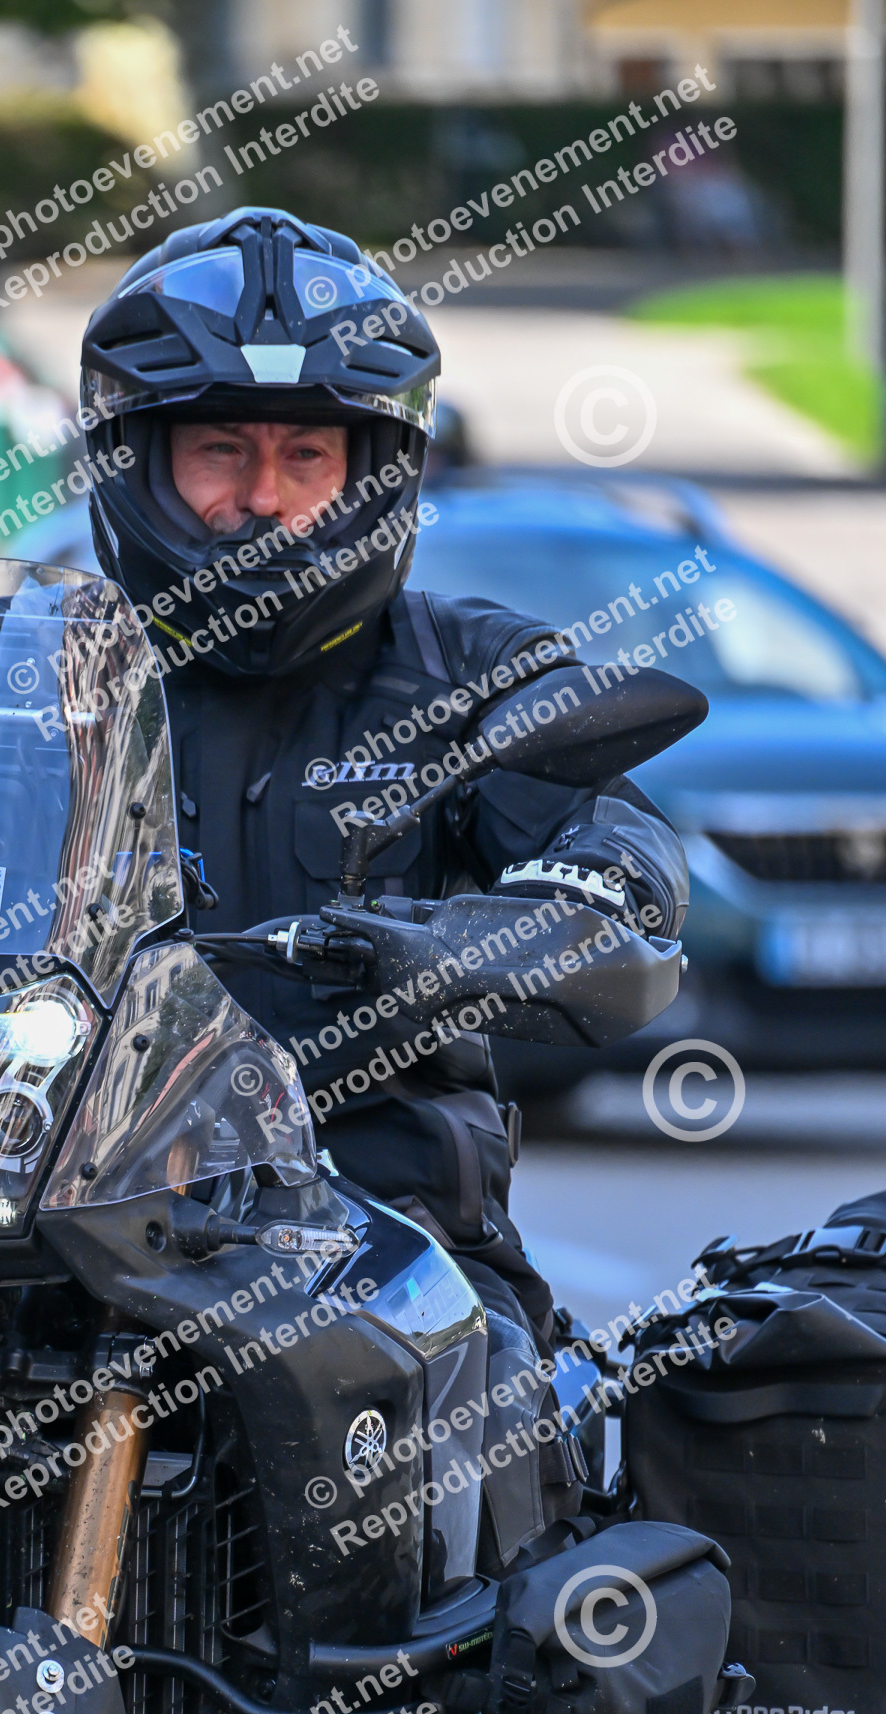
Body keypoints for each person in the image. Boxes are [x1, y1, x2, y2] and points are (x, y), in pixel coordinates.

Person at [75, 207, 689, 1353]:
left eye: (305, 456)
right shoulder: (25, 671)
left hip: (383, 1244)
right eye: (220, 451)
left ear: (375, 474)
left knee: (484, 1394)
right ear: (136, 462)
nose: (264, 497)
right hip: (40, 1201)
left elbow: (615, 853)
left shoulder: (471, 673)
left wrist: (515, 925)